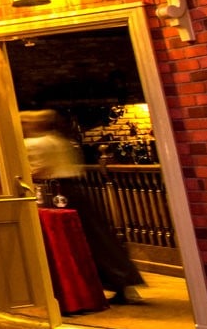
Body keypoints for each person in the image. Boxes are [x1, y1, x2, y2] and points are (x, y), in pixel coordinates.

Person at [20, 109, 145, 305]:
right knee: (97, 236)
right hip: (74, 189)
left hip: (56, 192)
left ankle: (79, 287)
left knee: (68, 239)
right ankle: (123, 280)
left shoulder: (34, 144)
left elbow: (38, 170)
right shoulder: (60, 140)